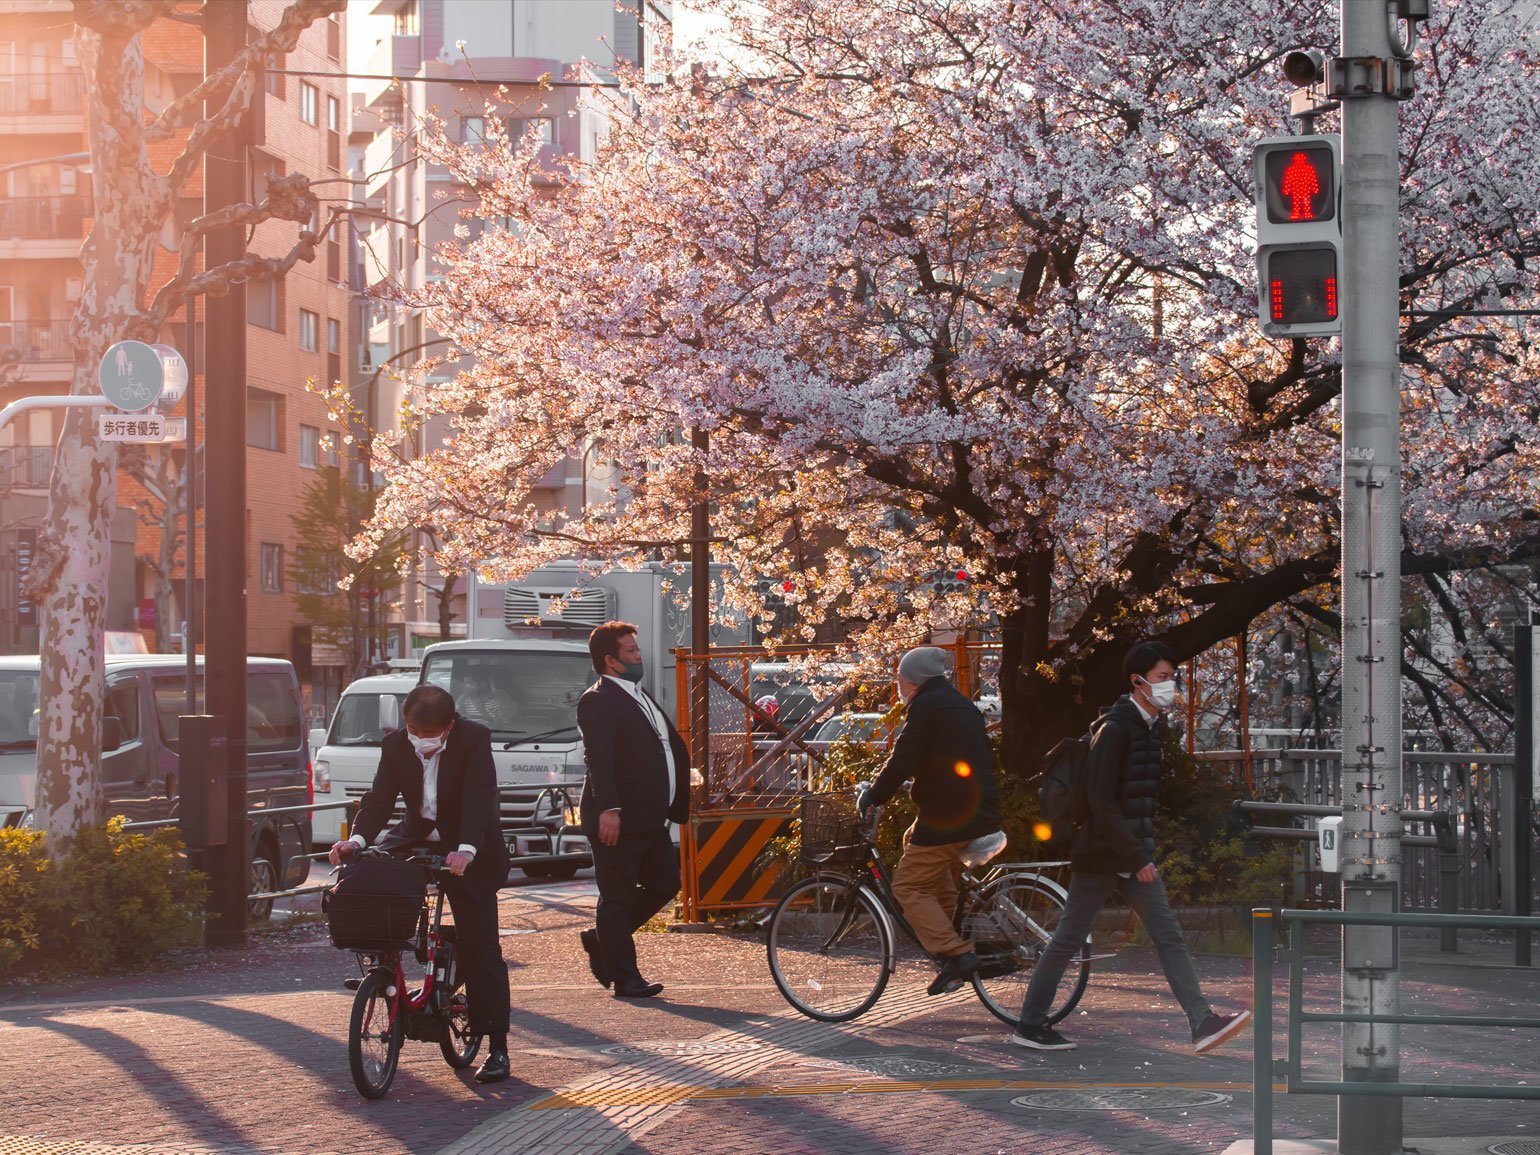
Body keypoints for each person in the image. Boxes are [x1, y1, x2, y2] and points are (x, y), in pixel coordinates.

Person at [1012, 641, 1252, 1054]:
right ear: (1137, 682)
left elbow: (1135, 800)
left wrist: (1140, 850)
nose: (1169, 685)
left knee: (1168, 935)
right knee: (1069, 939)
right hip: (1104, 853)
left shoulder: (1150, 727)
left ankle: (1202, 1023)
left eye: (1171, 677)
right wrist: (1136, 856)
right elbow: (1100, 801)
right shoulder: (1116, 729)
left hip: (1128, 851)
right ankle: (1030, 1024)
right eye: (1162, 678)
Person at [328, 684, 513, 1083]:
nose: (421, 741)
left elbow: (481, 798)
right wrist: (356, 841)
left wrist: (465, 849)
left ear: (449, 726)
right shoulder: (396, 745)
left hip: (471, 845)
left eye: (431, 734)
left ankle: (497, 1046)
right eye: (414, 730)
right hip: (415, 838)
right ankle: (383, 976)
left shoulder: (473, 740)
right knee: (371, 887)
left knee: (482, 946)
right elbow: (379, 799)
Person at [860, 646, 1003, 996]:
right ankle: (946, 941)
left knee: (907, 886)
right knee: (915, 842)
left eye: (901, 680)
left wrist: (873, 795)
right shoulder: (962, 705)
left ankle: (956, 954)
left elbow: (903, 758)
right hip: (976, 808)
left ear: (914, 681)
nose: (899, 685)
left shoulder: (925, 706)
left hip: (947, 816)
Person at [575, 621, 691, 999]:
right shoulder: (598, 699)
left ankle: (601, 939)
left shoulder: (636, 693)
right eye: (631, 651)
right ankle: (625, 978)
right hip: (618, 820)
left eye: (636, 649)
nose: (639, 655)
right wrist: (609, 808)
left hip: (647, 818)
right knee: (617, 897)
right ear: (611, 660)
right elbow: (599, 759)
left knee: (665, 884)